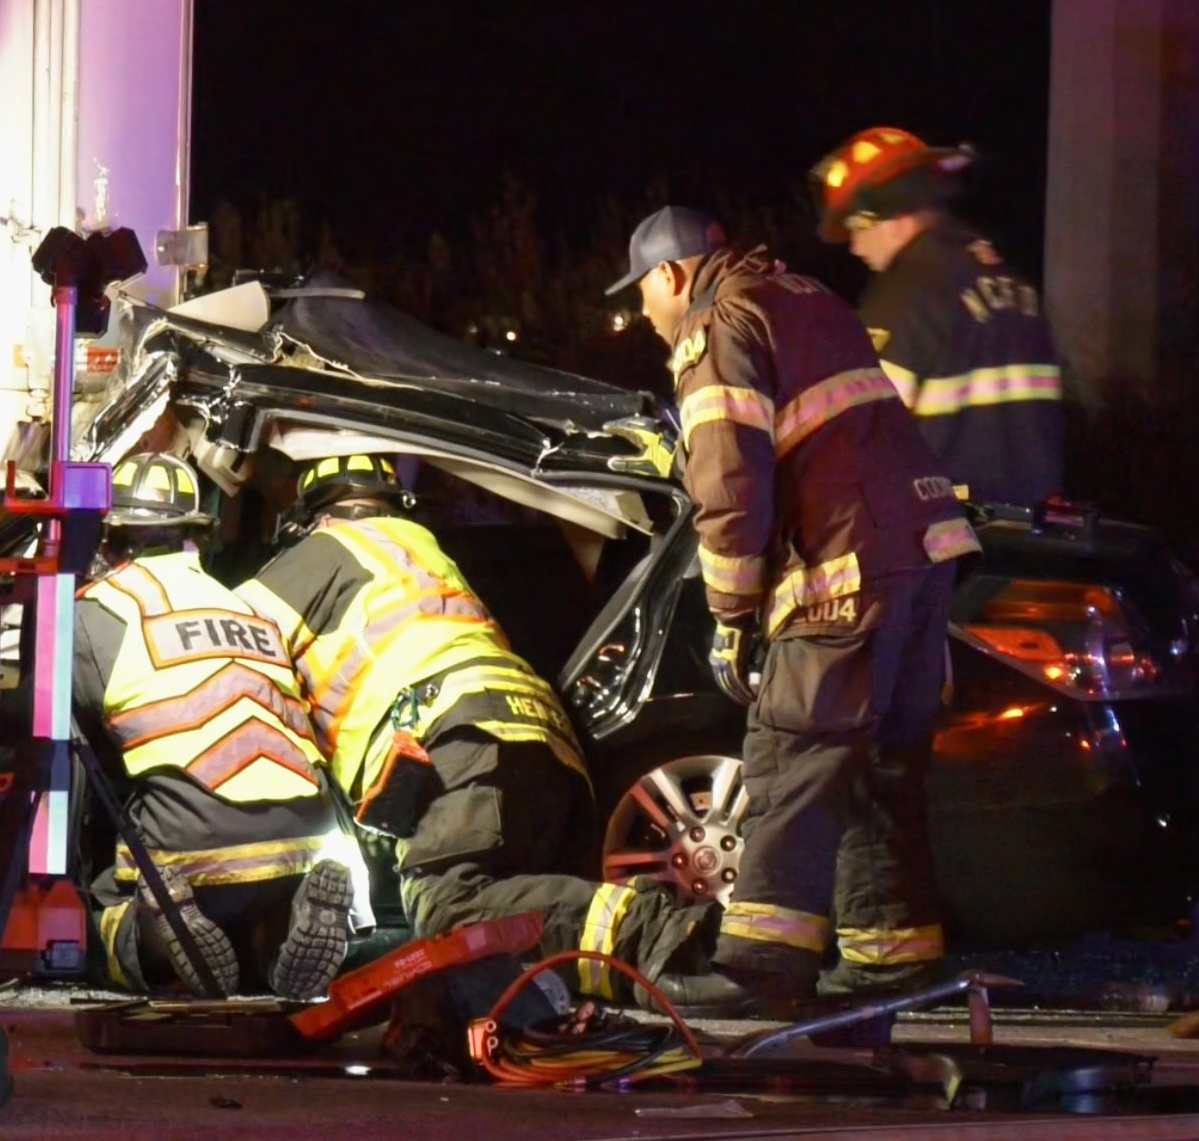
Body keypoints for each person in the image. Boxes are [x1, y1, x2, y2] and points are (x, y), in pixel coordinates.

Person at [605, 206, 981, 1016]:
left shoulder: (717, 325)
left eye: (642, 293)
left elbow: (729, 485)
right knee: (879, 768)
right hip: (921, 555)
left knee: (790, 759)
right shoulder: (804, 296)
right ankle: (891, 961)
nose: (644, 312)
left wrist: (730, 613)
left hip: (844, 567)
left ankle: (758, 972)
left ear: (670, 274)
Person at [238, 455, 713, 1006]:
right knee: (507, 929)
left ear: (312, 518)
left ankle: (653, 930)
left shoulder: (320, 552)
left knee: (451, 912)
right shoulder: (424, 550)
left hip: (456, 732)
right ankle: (628, 980)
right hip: (543, 737)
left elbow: (225, 630)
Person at [73, 452, 355, 1001]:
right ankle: (280, 929)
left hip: (191, 847)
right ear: (197, 540)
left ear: (107, 543)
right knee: (247, 928)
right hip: (306, 835)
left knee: (100, 907)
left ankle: (157, 933)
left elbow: (73, 741)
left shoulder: (94, 612)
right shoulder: (249, 608)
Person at [810, 127, 1064, 508]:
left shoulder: (904, 296)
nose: (856, 246)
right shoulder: (1014, 286)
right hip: (1031, 529)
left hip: (942, 528)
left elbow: (857, 435)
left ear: (896, 217)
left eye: (858, 228)